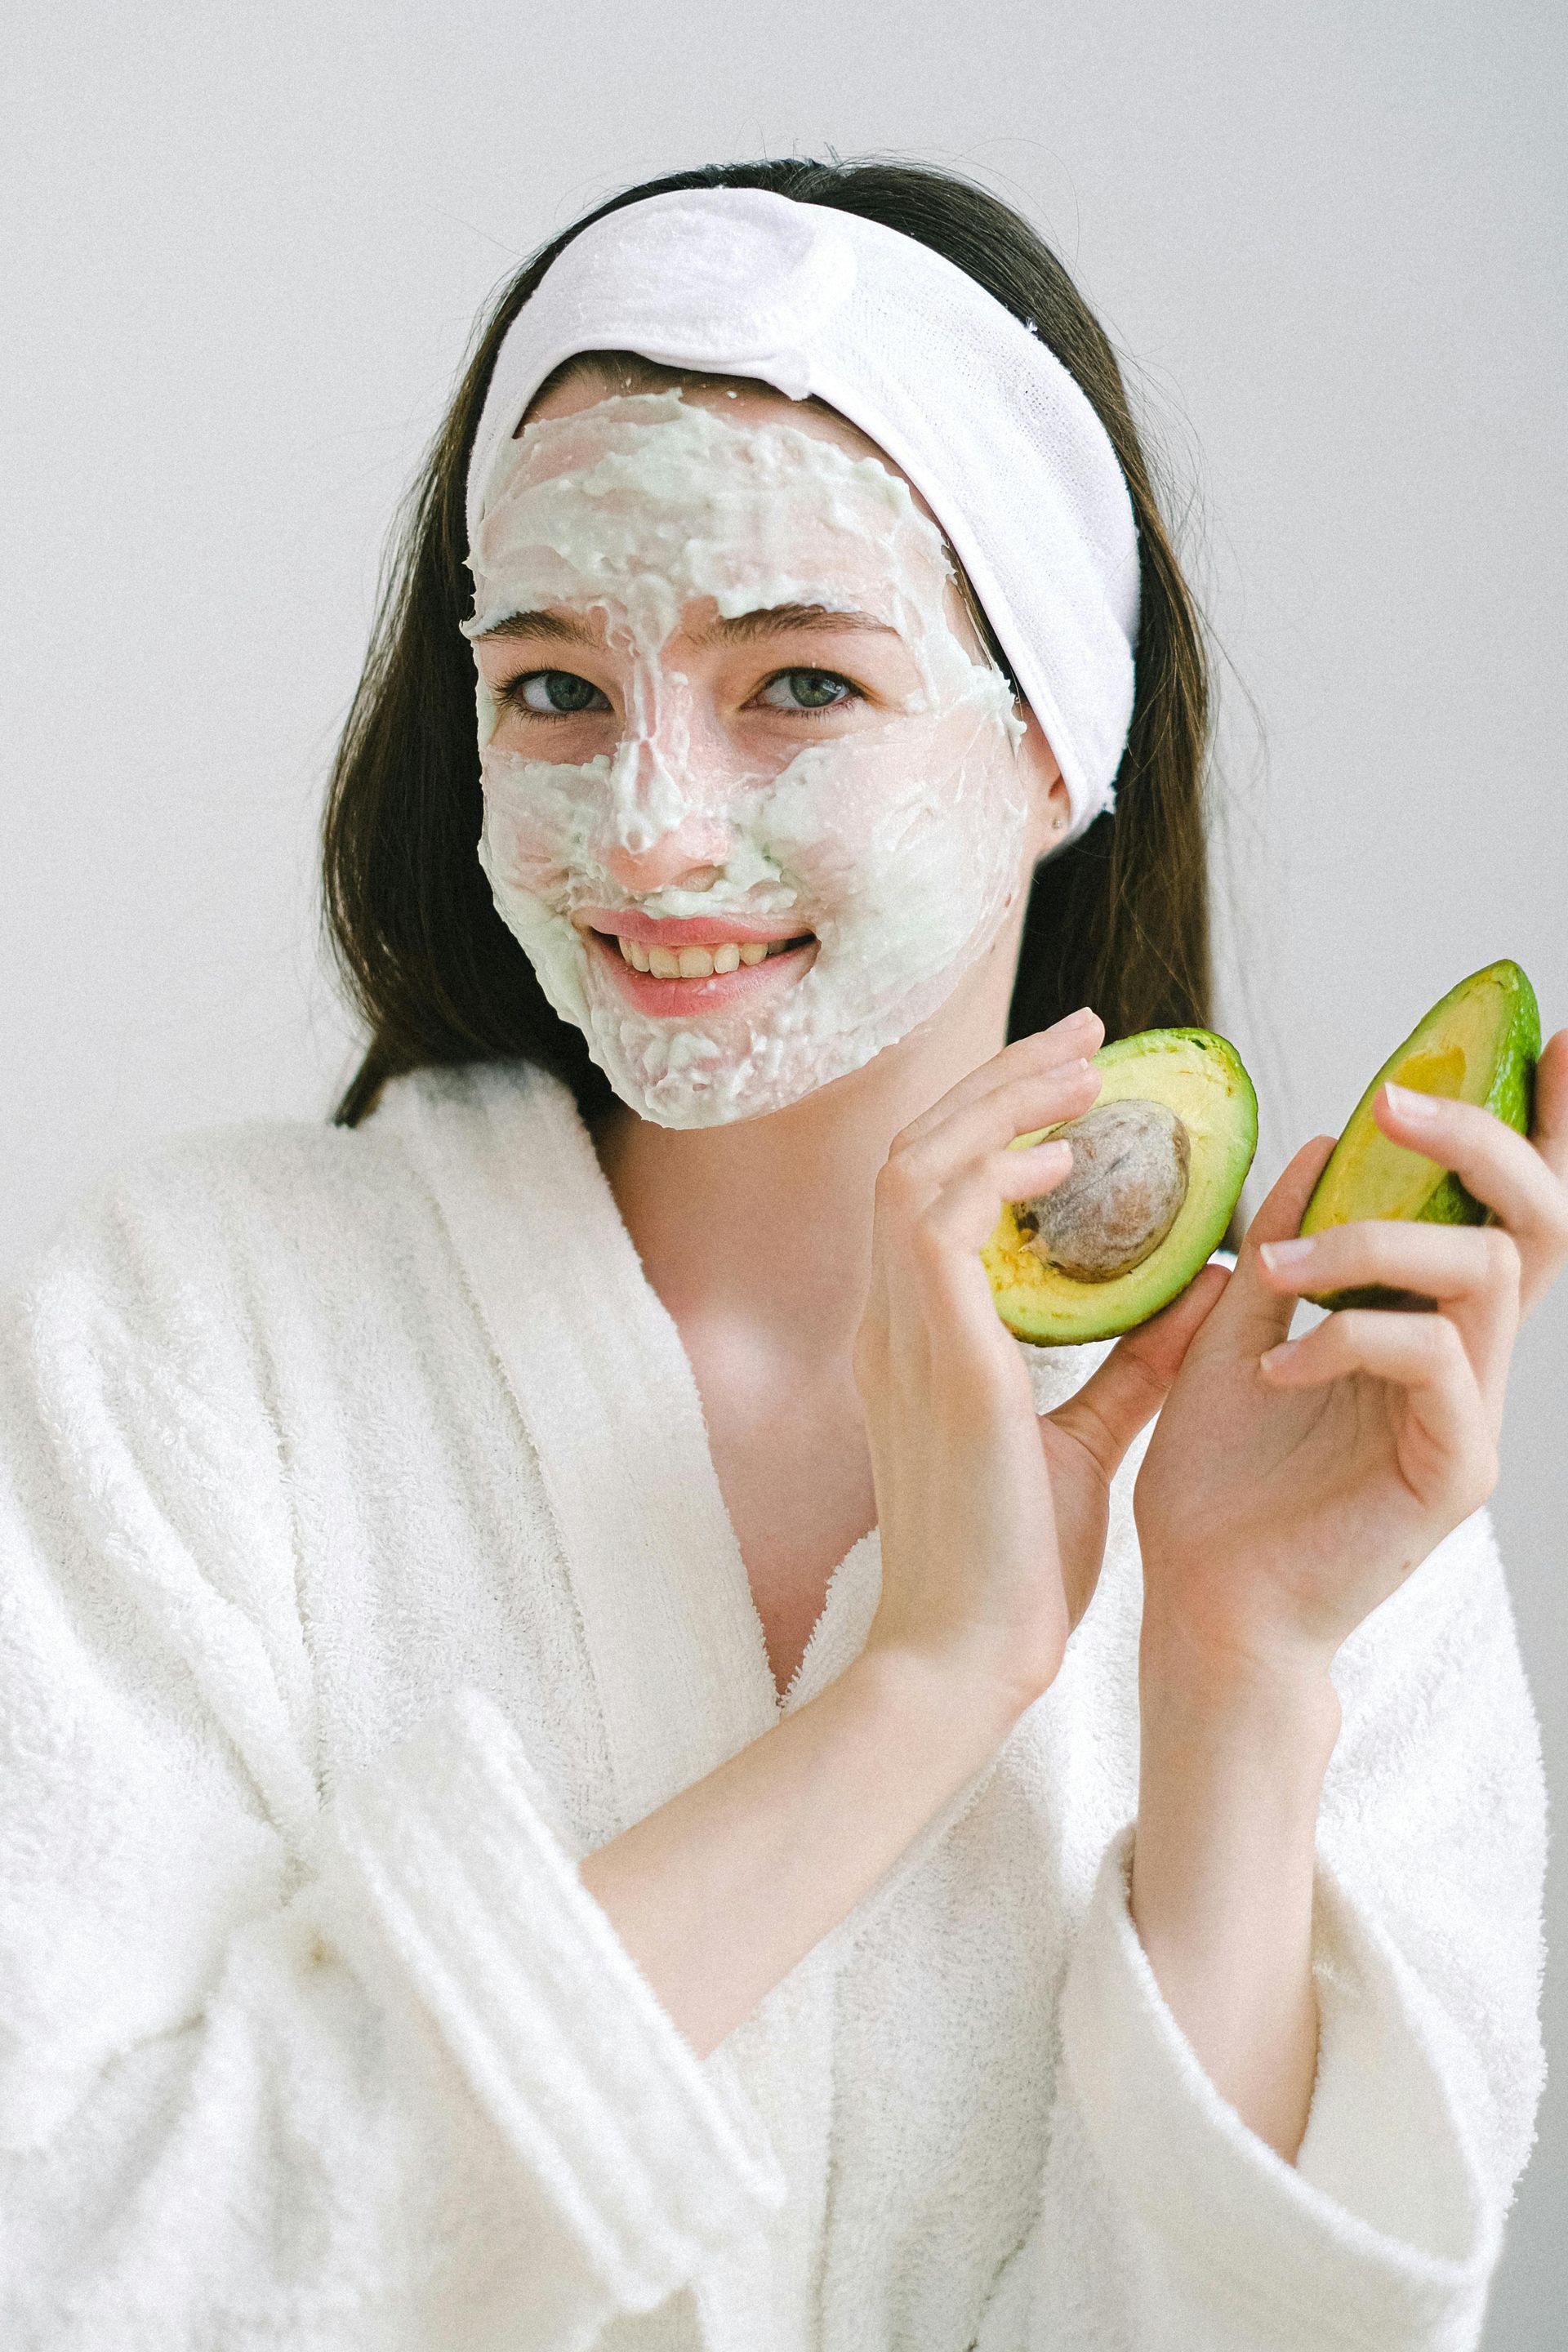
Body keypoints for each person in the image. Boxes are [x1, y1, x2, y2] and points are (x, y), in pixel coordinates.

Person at [2, 157, 1563, 2352]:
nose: (647, 821)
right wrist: (920, 1687)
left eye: (802, 687)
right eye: (551, 689)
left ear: (1051, 739)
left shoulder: (1316, 1454)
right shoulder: (196, 1333)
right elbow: (79, 2284)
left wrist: (1237, 1676)